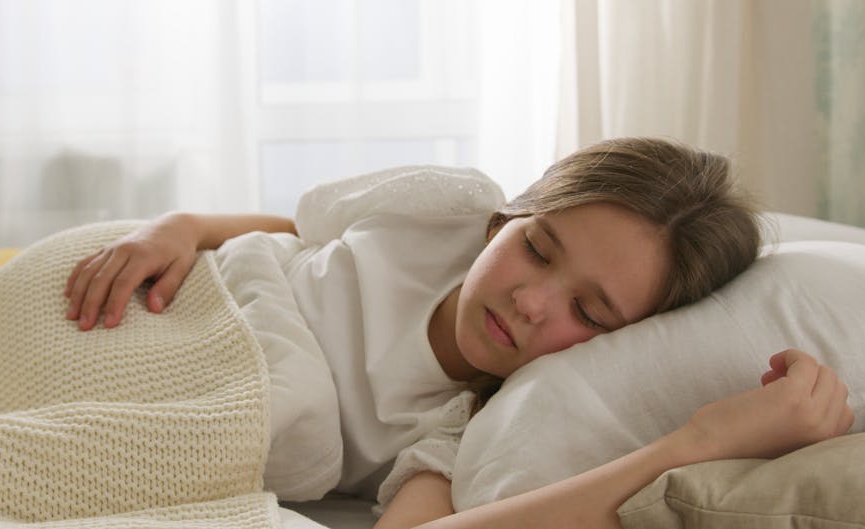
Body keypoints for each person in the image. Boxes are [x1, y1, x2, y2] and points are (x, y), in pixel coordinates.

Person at [63, 137, 853, 529]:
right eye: (537, 248)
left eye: (589, 312)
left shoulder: (464, 428)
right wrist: (181, 224)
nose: (531, 302)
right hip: (149, 291)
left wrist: (695, 443)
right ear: (509, 217)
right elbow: (293, 232)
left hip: (178, 399)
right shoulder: (444, 207)